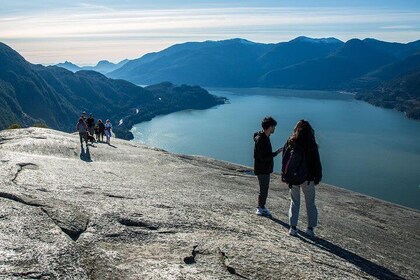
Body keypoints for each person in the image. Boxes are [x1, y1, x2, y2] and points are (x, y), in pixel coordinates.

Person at [284, 120, 322, 238]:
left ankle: (293, 228)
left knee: (294, 202)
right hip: (308, 178)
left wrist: (285, 175)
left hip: (293, 178)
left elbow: (285, 159)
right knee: (310, 203)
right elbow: (317, 162)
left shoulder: (291, 142)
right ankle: (310, 229)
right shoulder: (311, 144)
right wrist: (318, 177)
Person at [253, 116, 282, 217]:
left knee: (265, 188)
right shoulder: (262, 140)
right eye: (273, 127)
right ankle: (260, 208)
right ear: (269, 127)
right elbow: (263, 157)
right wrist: (276, 153)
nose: (274, 129)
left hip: (264, 168)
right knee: (264, 188)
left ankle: (262, 206)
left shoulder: (263, 137)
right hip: (262, 169)